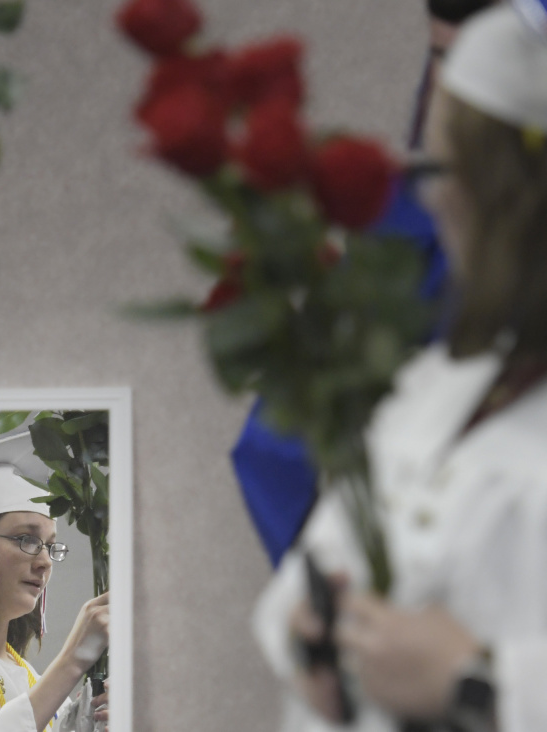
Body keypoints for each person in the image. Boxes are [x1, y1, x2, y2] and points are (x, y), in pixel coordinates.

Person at [254, 5, 547, 731]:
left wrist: (480, 681)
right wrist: (313, 643)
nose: (433, 196)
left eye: (452, 170)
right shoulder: (439, 385)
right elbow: (304, 580)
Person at [231, 0, 494, 569]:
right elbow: (274, 445)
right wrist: (320, 604)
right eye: (444, 60)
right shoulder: (404, 230)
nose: (454, 93)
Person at [0, 432, 110, 732]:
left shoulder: (27, 674)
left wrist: (96, 714)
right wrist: (72, 659)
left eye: (50, 545)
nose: (45, 561)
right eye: (26, 539)